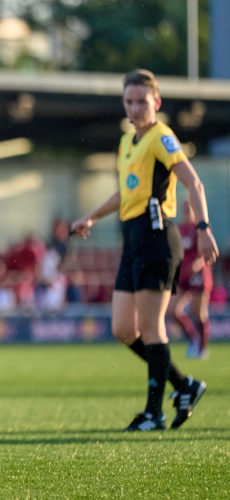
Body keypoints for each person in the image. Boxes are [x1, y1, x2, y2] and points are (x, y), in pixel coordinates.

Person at [71, 69, 218, 431]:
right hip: (132, 241)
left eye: (141, 101)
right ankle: (184, 385)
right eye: (129, 101)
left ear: (157, 102)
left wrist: (203, 228)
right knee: (123, 329)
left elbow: (193, 182)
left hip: (157, 239)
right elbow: (125, 193)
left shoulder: (161, 137)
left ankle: (153, 412)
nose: (135, 108)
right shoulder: (126, 142)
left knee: (152, 329)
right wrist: (91, 217)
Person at [169, 200, 213, 359]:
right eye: (184, 208)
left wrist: (198, 264)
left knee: (198, 313)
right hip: (182, 277)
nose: (186, 211)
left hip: (198, 277)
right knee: (172, 311)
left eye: (189, 208)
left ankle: (202, 348)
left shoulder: (200, 229)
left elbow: (205, 253)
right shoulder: (179, 230)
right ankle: (193, 339)